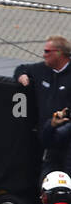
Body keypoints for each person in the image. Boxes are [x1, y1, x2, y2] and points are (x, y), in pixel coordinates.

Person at [15, 37, 71, 168]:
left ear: (59, 53)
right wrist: (21, 75)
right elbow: (22, 68)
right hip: (48, 136)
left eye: (47, 51)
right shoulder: (41, 70)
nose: (44, 55)